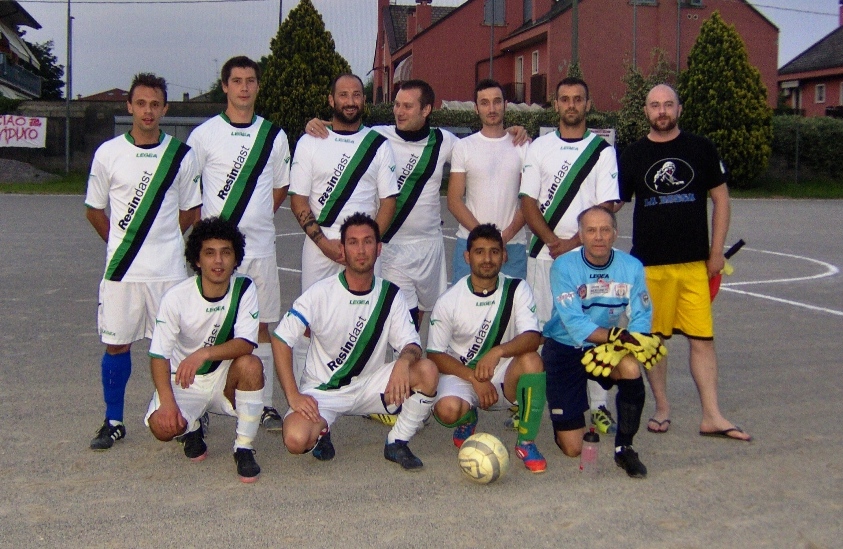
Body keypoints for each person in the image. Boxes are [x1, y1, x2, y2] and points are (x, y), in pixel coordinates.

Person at [618, 84, 751, 441]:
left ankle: (712, 415)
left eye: (668, 104)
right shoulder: (632, 155)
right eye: (654, 105)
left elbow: (721, 200)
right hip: (650, 267)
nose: (661, 111)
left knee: (702, 339)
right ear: (645, 111)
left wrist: (716, 251)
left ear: (679, 108)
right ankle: (662, 407)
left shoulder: (701, 148)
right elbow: (613, 202)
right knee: (655, 341)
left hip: (694, 264)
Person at [85, 73, 202, 451]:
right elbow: (94, 210)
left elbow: (191, 212)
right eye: (141, 104)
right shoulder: (108, 153)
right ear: (129, 107)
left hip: (168, 273)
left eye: (155, 104)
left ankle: (189, 418)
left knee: (177, 348)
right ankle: (113, 420)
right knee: (117, 345)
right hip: (122, 272)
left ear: (165, 109)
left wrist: (161, 241)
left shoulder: (181, 156)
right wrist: (124, 244)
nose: (148, 111)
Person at [271, 213, 439, 470]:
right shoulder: (320, 293)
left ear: (379, 248)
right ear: (342, 249)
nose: (361, 250)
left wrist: (404, 361)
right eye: (353, 242)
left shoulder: (390, 294)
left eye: (368, 242)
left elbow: (412, 345)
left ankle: (397, 442)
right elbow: (281, 339)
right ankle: (321, 431)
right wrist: (293, 396)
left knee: (426, 370)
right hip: (323, 392)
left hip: (370, 386)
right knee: (295, 440)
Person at [187, 56, 291, 432]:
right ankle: (198, 401)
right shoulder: (203, 135)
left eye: (250, 80)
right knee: (208, 327)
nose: (244, 87)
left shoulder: (273, 136)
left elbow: (279, 187)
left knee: (262, 326)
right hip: (218, 254)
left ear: (258, 86)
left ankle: (261, 403)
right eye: (237, 81)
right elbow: (189, 190)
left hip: (260, 248)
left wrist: (255, 218)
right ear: (225, 86)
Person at [519, 76, 621, 436]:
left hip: (588, 260)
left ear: (588, 104)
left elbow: (607, 205)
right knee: (543, 331)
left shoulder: (602, 151)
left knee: (591, 332)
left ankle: (599, 406)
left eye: (579, 98)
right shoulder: (538, 148)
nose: (572, 105)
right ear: (556, 104)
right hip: (544, 255)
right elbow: (528, 202)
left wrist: (574, 242)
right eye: (565, 99)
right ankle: (536, 403)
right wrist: (552, 241)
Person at [145, 217, 264, 483]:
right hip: (186, 382)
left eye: (226, 253)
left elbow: (246, 342)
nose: (218, 261)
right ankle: (192, 426)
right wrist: (167, 404)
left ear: (235, 258)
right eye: (209, 253)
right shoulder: (176, 298)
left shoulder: (244, 288)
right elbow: (158, 355)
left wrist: (204, 353)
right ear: (197, 260)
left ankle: (243, 447)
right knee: (161, 428)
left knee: (251, 364)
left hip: (224, 379)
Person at [427, 224, 548, 473]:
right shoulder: (449, 300)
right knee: (447, 411)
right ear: (467, 256)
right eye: (479, 252)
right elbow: (435, 354)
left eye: (494, 252)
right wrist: (474, 379)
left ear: (504, 256)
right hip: (463, 374)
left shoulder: (517, 289)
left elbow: (533, 338)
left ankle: (526, 442)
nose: (487, 259)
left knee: (532, 360)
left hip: (504, 373)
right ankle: (468, 416)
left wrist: (497, 352)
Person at [542, 206, 651, 478]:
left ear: (615, 233)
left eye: (605, 230)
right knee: (572, 448)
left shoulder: (632, 267)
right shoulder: (564, 266)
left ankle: (624, 448)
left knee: (630, 368)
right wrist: (618, 336)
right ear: (581, 235)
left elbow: (641, 314)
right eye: (591, 230)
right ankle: (567, 419)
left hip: (604, 346)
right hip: (564, 347)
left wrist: (632, 342)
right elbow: (574, 322)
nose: (598, 236)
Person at [290, 73, 398, 293]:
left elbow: (388, 203)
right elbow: (298, 200)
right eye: (343, 95)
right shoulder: (309, 141)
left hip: (362, 249)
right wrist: (323, 244)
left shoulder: (378, 144)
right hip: (320, 246)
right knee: (313, 321)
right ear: (331, 100)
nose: (350, 102)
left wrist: (366, 244)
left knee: (364, 317)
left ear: (364, 100)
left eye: (356, 95)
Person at [447, 79, 528, 282]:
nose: (491, 108)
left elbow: (529, 202)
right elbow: (454, 201)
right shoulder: (463, 147)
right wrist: (486, 240)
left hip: (513, 245)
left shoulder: (523, 146)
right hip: (470, 242)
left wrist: (503, 239)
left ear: (506, 105)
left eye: (497, 101)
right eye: (484, 103)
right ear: (476, 108)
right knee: (465, 311)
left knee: (510, 311)